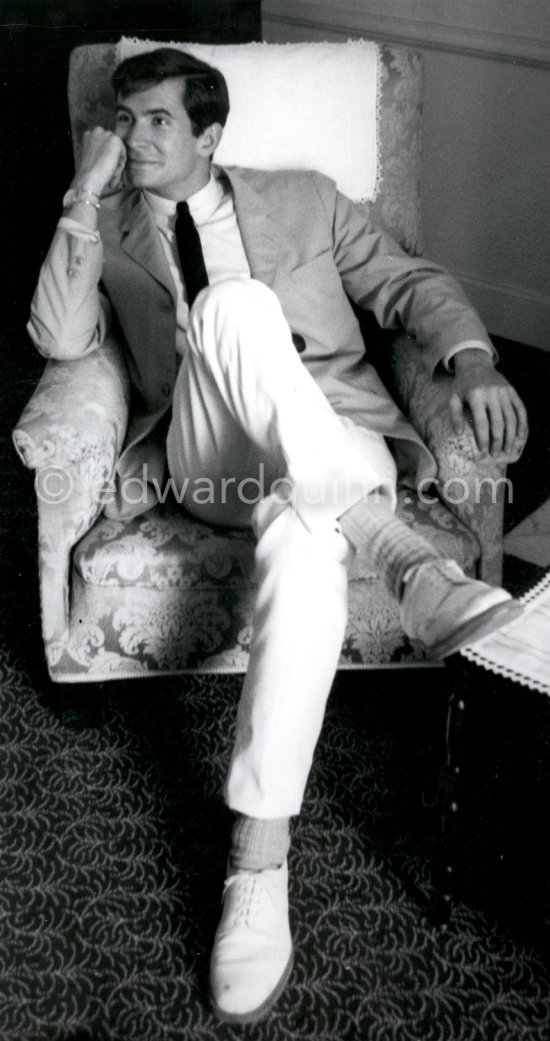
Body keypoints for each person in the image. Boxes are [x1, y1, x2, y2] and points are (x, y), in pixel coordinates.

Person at [28, 47, 528, 1024]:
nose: (130, 138)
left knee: (303, 536)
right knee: (233, 309)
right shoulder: (113, 220)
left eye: (153, 121)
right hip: (209, 458)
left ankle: (256, 867)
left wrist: (469, 360)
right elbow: (57, 340)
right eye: (120, 121)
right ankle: (412, 568)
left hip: (338, 442)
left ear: (208, 135)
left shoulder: (304, 197)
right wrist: (81, 200)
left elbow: (408, 284)